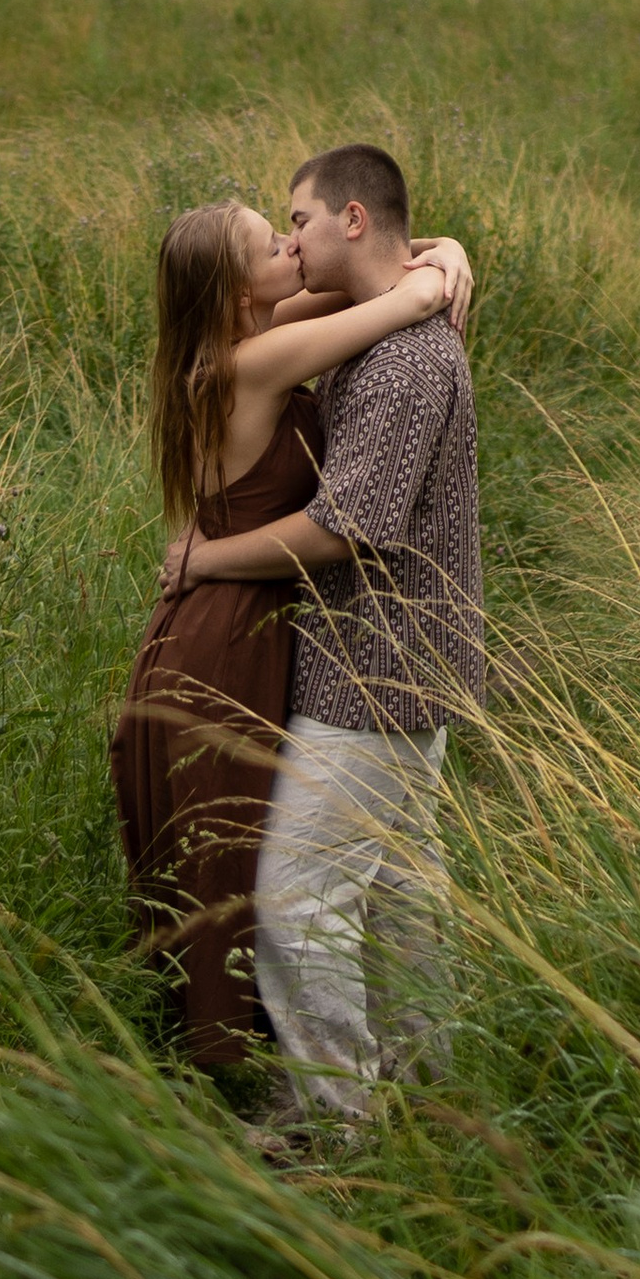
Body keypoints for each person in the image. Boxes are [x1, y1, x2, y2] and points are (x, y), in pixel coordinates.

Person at [152, 139, 482, 1131]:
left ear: (346, 221)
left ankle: (340, 1128)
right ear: (236, 290)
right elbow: (394, 293)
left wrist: (444, 252)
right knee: (387, 894)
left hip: (375, 667)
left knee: (305, 903)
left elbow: (349, 527)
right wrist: (434, 267)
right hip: (313, 647)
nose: (289, 244)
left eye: (294, 221)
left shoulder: (389, 359)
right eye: (273, 237)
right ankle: (415, 1099)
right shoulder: (297, 343)